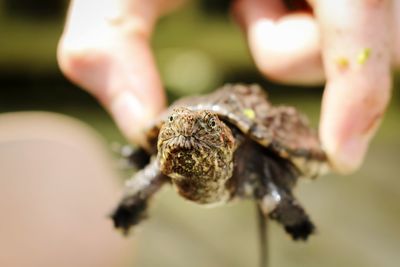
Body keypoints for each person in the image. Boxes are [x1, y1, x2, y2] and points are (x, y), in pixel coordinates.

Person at [57, 0, 398, 174]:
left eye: (204, 126)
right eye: (177, 122)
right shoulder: (167, 157)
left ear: (226, 139)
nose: (189, 129)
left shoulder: (248, 157)